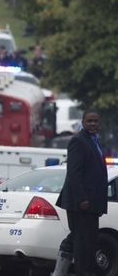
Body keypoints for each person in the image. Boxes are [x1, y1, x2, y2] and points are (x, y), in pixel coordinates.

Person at [53, 109, 107, 276]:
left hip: (92, 204)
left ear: (99, 123)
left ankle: (59, 273)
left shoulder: (94, 141)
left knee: (82, 240)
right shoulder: (78, 140)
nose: (92, 124)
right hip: (82, 204)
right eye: (89, 121)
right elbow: (74, 173)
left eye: (95, 121)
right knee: (83, 243)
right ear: (82, 123)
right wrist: (82, 198)